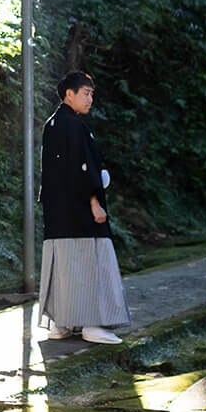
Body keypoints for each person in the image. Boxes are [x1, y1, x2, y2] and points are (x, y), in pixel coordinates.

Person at [39, 70, 130, 345]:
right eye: (86, 93)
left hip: (58, 210)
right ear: (70, 94)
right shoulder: (73, 126)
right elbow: (80, 168)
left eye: (92, 94)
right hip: (79, 208)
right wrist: (94, 202)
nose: (90, 99)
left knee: (65, 264)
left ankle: (62, 323)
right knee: (91, 261)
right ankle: (92, 324)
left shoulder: (52, 124)